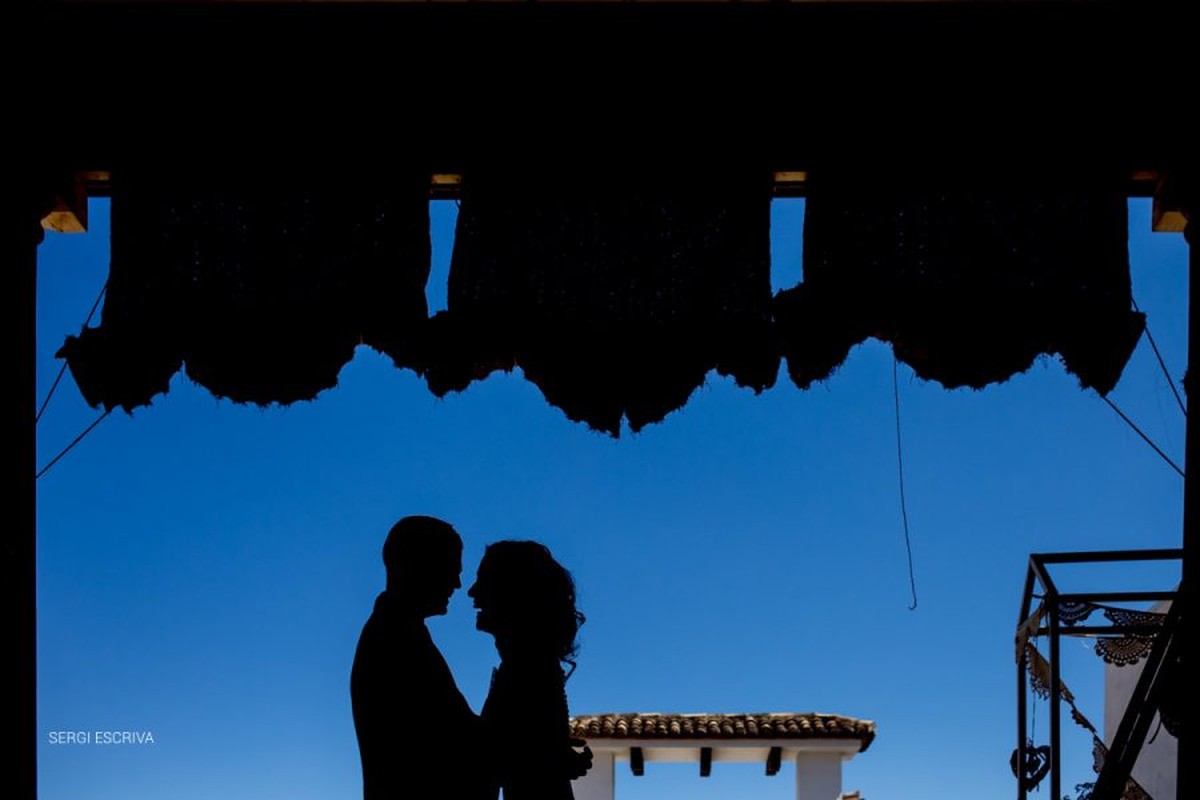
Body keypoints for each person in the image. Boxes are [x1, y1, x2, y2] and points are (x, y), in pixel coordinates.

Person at [350, 516, 484, 800]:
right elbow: (456, 740)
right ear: (415, 565)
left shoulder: (399, 633)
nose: (458, 583)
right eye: (449, 569)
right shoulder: (395, 640)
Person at [468, 540, 587, 800]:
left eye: (484, 581)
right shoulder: (535, 668)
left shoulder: (526, 673)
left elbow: (494, 758)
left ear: (515, 592)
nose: (472, 592)